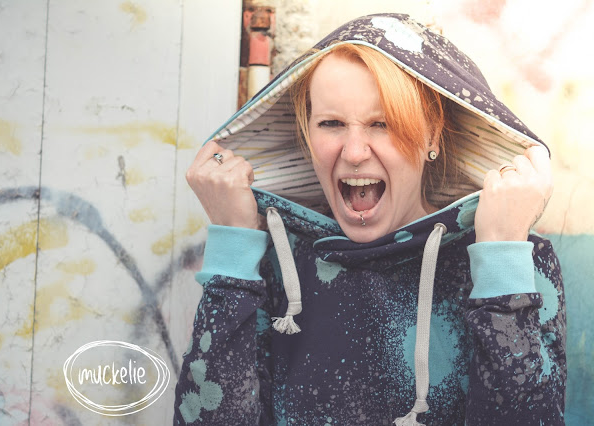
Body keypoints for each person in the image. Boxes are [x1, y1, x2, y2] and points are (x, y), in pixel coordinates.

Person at [174, 13, 566, 425]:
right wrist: (232, 249)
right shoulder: (269, 260)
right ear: (306, 134)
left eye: (382, 123)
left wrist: (501, 261)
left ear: (432, 135)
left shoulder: (520, 260)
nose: (355, 152)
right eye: (331, 123)